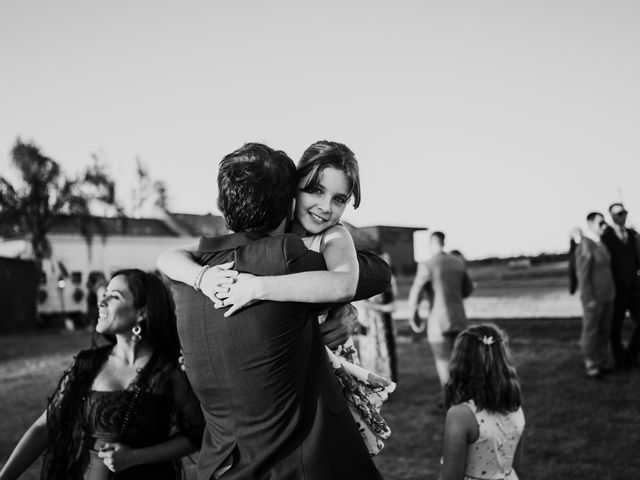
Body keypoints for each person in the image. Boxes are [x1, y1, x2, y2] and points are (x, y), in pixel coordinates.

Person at [162, 143, 389, 479]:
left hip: (221, 463)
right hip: (304, 456)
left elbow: (350, 280)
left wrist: (207, 277)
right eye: (314, 190)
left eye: (339, 199)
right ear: (289, 196)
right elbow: (377, 273)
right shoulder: (287, 257)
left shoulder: (190, 276)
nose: (325, 207)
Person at [0, 269, 205, 480]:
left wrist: (136, 457)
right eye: (105, 292)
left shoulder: (169, 371)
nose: (102, 301)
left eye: (115, 296)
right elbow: (45, 426)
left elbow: (195, 436)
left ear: (142, 313)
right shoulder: (87, 364)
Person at [439, 323, 525, 480]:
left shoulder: (460, 415)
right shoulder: (515, 407)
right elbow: (514, 463)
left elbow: (450, 477)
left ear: (460, 363)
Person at [407, 231, 473, 389]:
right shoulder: (458, 262)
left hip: (438, 323)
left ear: (431, 244)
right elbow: (468, 290)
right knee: (461, 362)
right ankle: (465, 397)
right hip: (459, 320)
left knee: (443, 363)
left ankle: (450, 400)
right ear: (444, 242)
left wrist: (413, 316)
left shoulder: (427, 265)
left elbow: (415, 293)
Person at [575, 212, 615, 378]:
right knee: (591, 331)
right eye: (600, 223)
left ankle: (603, 360)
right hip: (593, 298)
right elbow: (582, 275)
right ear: (590, 224)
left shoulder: (600, 243)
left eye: (605, 222)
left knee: (604, 331)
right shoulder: (586, 244)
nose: (604, 226)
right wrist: (589, 298)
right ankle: (591, 363)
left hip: (608, 296)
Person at [600, 202, 640, 368]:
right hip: (617, 289)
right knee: (615, 328)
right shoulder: (605, 237)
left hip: (635, 288)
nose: (623, 216)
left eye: (624, 212)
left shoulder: (632, 234)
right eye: (619, 214)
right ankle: (620, 359)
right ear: (612, 216)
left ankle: (630, 354)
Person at [355, 252, 399, 383]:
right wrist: (381, 308)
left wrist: (383, 308)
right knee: (369, 354)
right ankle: (371, 384)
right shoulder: (363, 278)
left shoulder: (391, 280)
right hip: (368, 322)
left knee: (386, 354)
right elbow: (358, 302)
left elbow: (394, 305)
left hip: (384, 324)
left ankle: (386, 383)